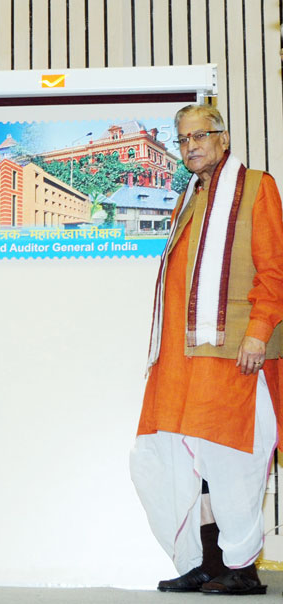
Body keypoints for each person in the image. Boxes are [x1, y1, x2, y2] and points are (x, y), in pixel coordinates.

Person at [129, 104, 283, 596]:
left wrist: (258, 330)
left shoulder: (257, 187)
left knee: (230, 458)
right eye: (183, 139)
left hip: (233, 352)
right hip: (177, 360)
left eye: (201, 135)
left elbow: (275, 269)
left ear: (224, 138)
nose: (191, 145)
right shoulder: (189, 198)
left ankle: (241, 567)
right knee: (169, 459)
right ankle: (202, 561)